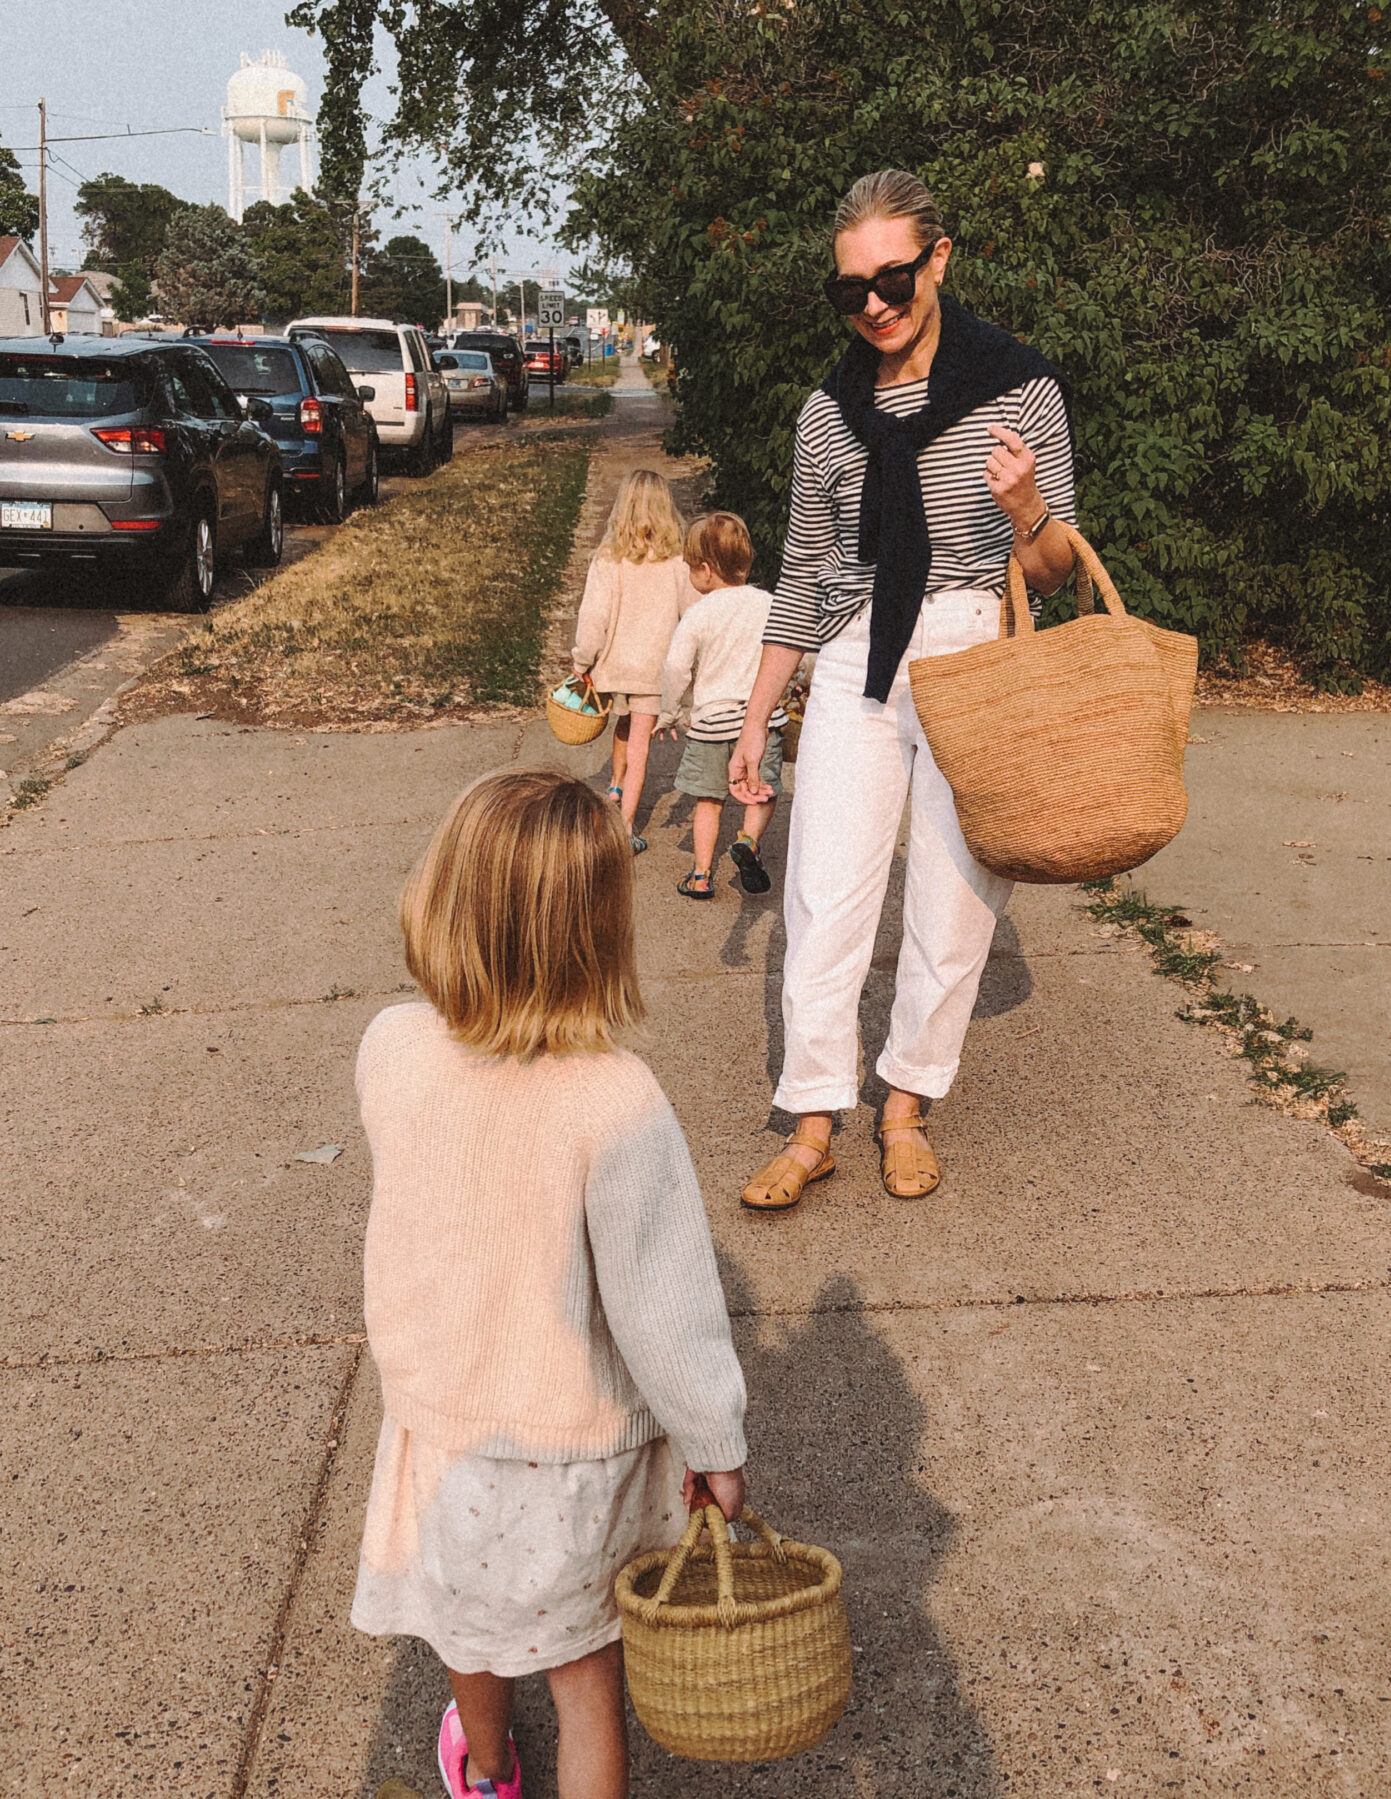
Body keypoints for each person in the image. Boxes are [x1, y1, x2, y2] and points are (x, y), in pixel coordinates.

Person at [350, 771, 748, 1799]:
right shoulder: (615, 1098)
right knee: (585, 1679)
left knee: (467, 1629)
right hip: (572, 1450)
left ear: (442, 897)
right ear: (600, 931)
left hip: (446, 1432)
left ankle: (485, 1767)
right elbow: (667, 1309)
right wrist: (715, 1442)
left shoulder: (391, 1047)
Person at [729, 169, 1076, 1210]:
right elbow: (800, 570)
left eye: (892, 277)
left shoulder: (1022, 388)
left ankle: (907, 1104)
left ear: (939, 259)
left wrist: (1025, 508)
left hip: (976, 646)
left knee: (953, 901)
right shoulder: (828, 414)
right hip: (854, 657)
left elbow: (1057, 570)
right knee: (824, 892)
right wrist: (756, 720)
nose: (873, 303)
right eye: (850, 289)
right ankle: (816, 1117)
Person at [657, 511, 790, 899]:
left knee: (708, 801)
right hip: (760, 720)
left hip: (712, 722)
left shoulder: (698, 614)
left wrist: (671, 710)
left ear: (704, 570)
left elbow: (676, 667)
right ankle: (748, 842)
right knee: (762, 789)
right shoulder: (768, 603)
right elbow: (794, 649)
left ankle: (700, 875)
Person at [572, 470, 697, 853]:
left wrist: (582, 659)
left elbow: (594, 615)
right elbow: (691, 614)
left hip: (615, 665)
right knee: (641, 741)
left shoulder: (608, 557)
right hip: (653, 669)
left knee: (623, 723)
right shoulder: (678, 560)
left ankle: (614, 782)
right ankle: (626, 826)